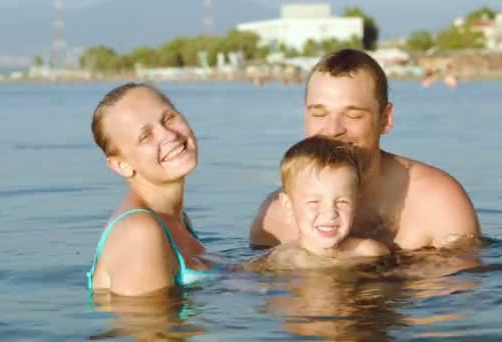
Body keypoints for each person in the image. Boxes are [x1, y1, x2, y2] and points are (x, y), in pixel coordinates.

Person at [249, 49, 480, 250]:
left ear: (385, 119)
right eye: (319, 114)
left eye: (353, 115)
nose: (332, 130)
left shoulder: (436, 203)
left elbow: (463, 295)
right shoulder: (276, 219)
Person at [87, 82, 216, 297]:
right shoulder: (140, 232)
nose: (169, 135)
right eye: (145, 136)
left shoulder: (177, 219)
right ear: (121, 165)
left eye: (168, 118)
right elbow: (150, 329)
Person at [256, 136, 389, 271]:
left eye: (342, 201)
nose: (330, 213)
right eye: (314, 201)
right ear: (288, 204)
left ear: (356, 203)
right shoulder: (284, 258)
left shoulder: (370, 252)